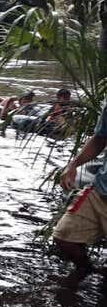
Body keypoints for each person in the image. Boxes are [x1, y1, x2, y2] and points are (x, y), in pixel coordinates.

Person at [54, 100, 107, 281]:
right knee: (64, 237)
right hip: (101, 190)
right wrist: (74, 164)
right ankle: (87, 270)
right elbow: (100, 138)